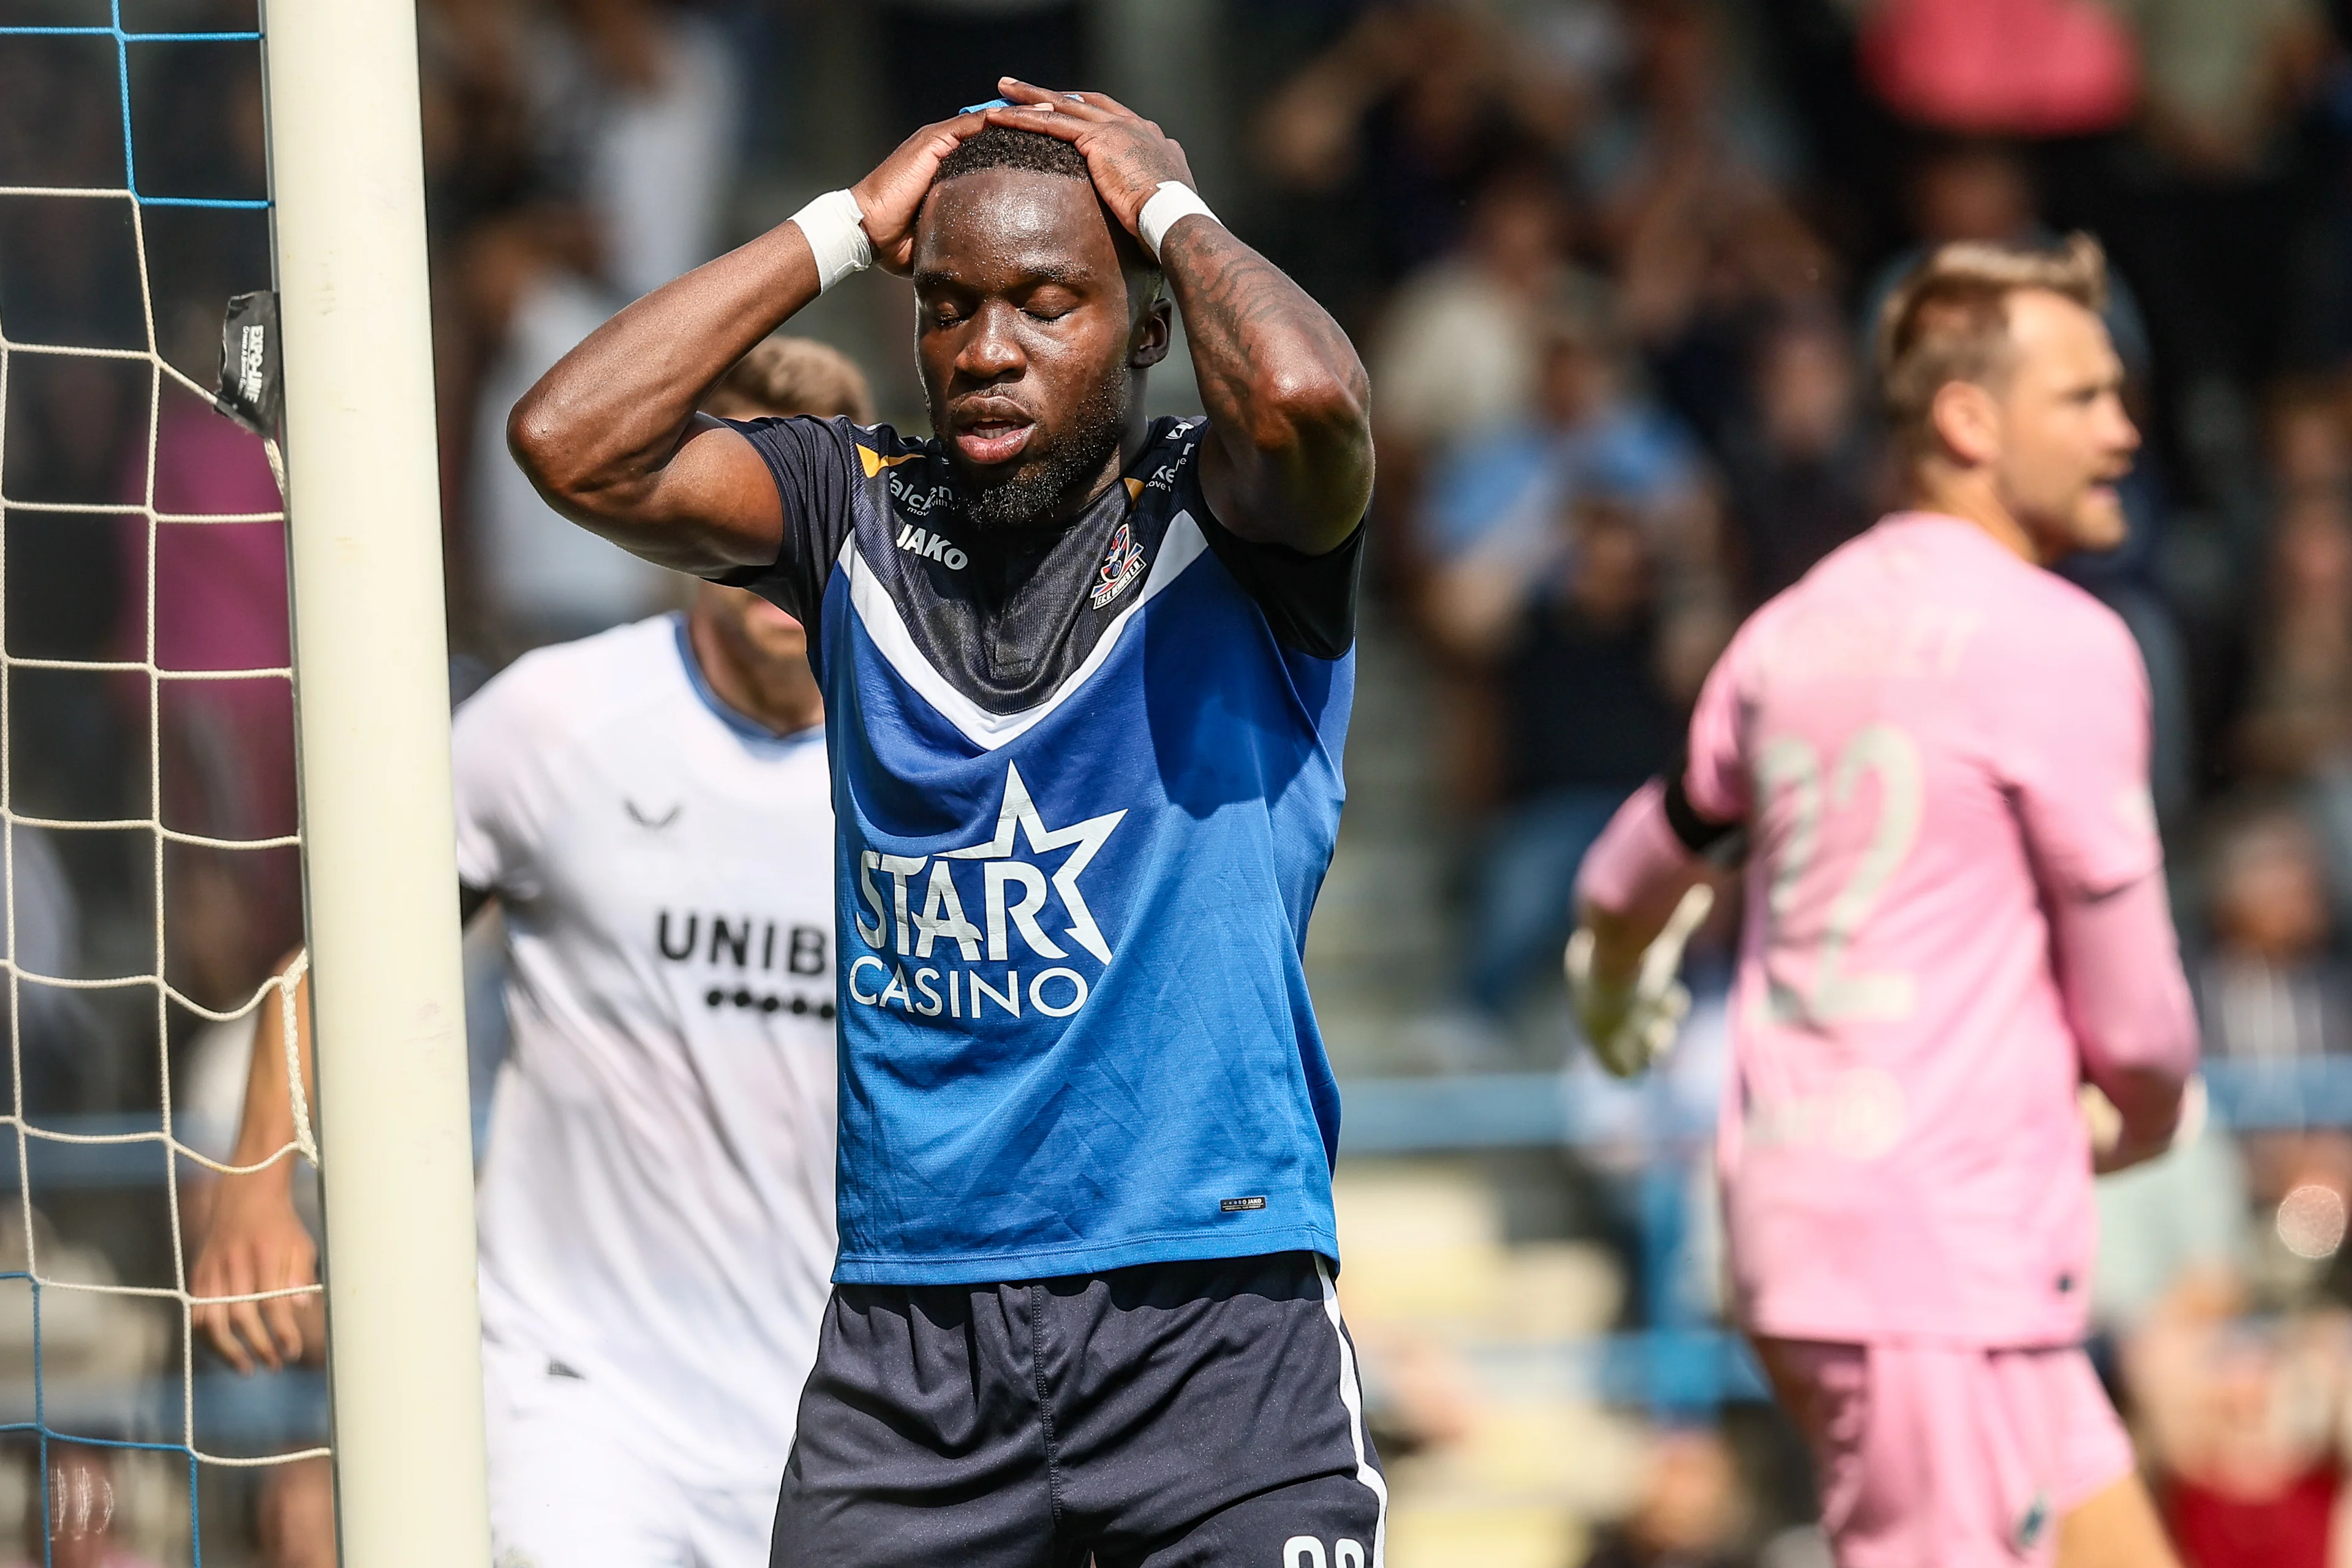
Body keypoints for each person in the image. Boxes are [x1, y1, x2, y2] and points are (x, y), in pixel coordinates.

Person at [508, 81, 1381, 1566]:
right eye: (951, 307)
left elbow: (1305, 395)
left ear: (1150, 329)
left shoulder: (1232, 528)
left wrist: (1173, 204)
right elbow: (572, 440)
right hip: (911, 1354)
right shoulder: (850, 515)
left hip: (1215, 1327)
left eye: (1047, 304)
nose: (987, 351)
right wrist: (842, 226)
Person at [1567, 237, 2199, 1568]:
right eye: (2085, 396)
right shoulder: (2066, 644)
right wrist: (2139, 1121)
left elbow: (1642, 859)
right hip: (1937, 1269)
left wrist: (1615, 983)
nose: (2124, 429)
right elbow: (2141, 1034)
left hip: (1817, 1226)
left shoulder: (1792, 628)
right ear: (1971, 419)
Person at [189, 338, 866, 1568]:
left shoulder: (931, 758)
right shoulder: (555, 719)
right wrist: (256, 1169)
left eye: (799, 500)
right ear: (685, 517)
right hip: (578, 1400)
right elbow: (346, 948)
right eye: (739, 497)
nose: (770, 544)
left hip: (833, 1404)